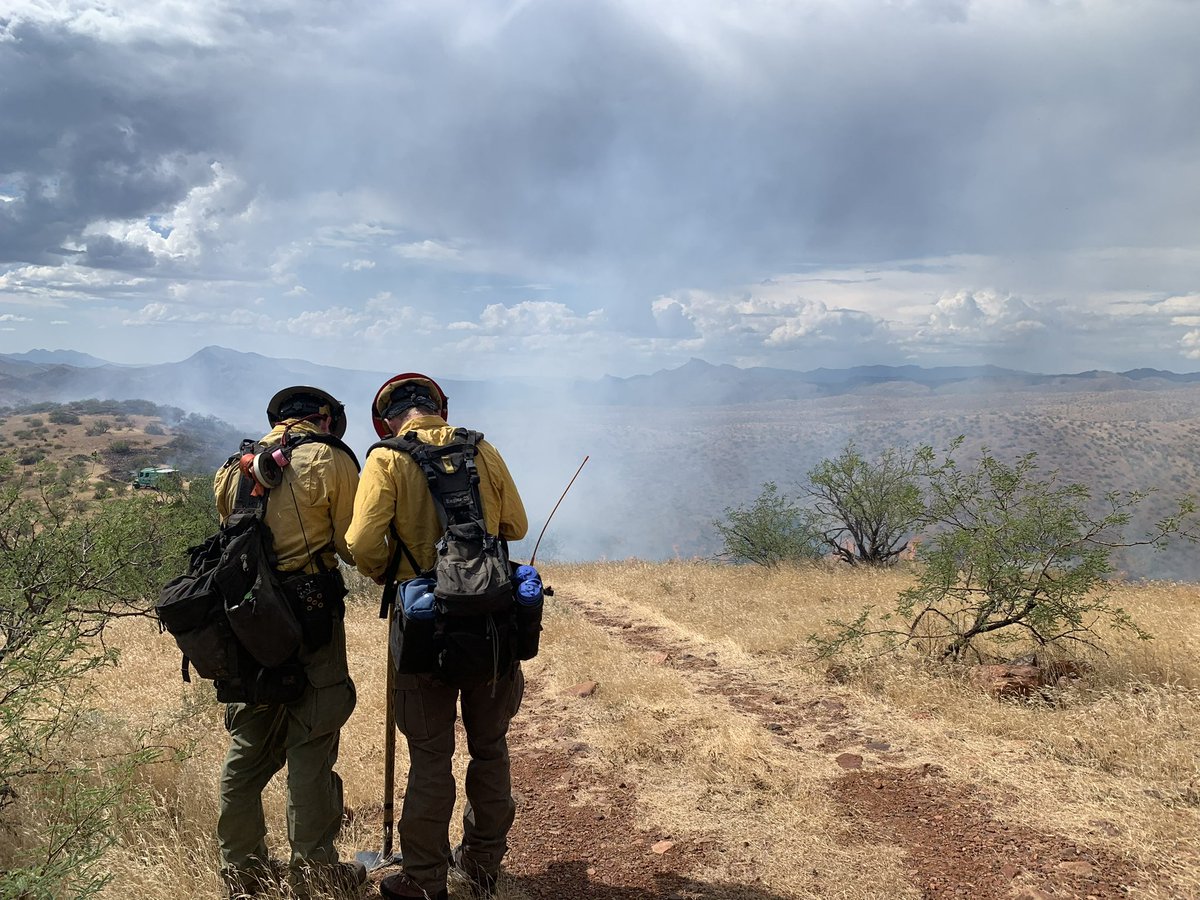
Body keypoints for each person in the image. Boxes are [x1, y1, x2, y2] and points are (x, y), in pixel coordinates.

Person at [346, 373, 528, 900]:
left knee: (430, 757)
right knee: (490, 748)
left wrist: (391, 573)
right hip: (494, 623)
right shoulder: (483, 449)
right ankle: (483, 864)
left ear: (388, 418)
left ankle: (424, 879)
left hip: (423, 622)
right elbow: (514, 525)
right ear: (439, 409)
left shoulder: (386, 458)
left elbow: (360, 542)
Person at [213, 385, 364, 899]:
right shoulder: (330, 460)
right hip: (310, 618)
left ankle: (242, 872)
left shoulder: (234, 467)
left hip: (248, 623)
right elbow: (351, 546)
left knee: (248, 745)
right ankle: (315, 873)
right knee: (311, 740)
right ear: (325, 420)